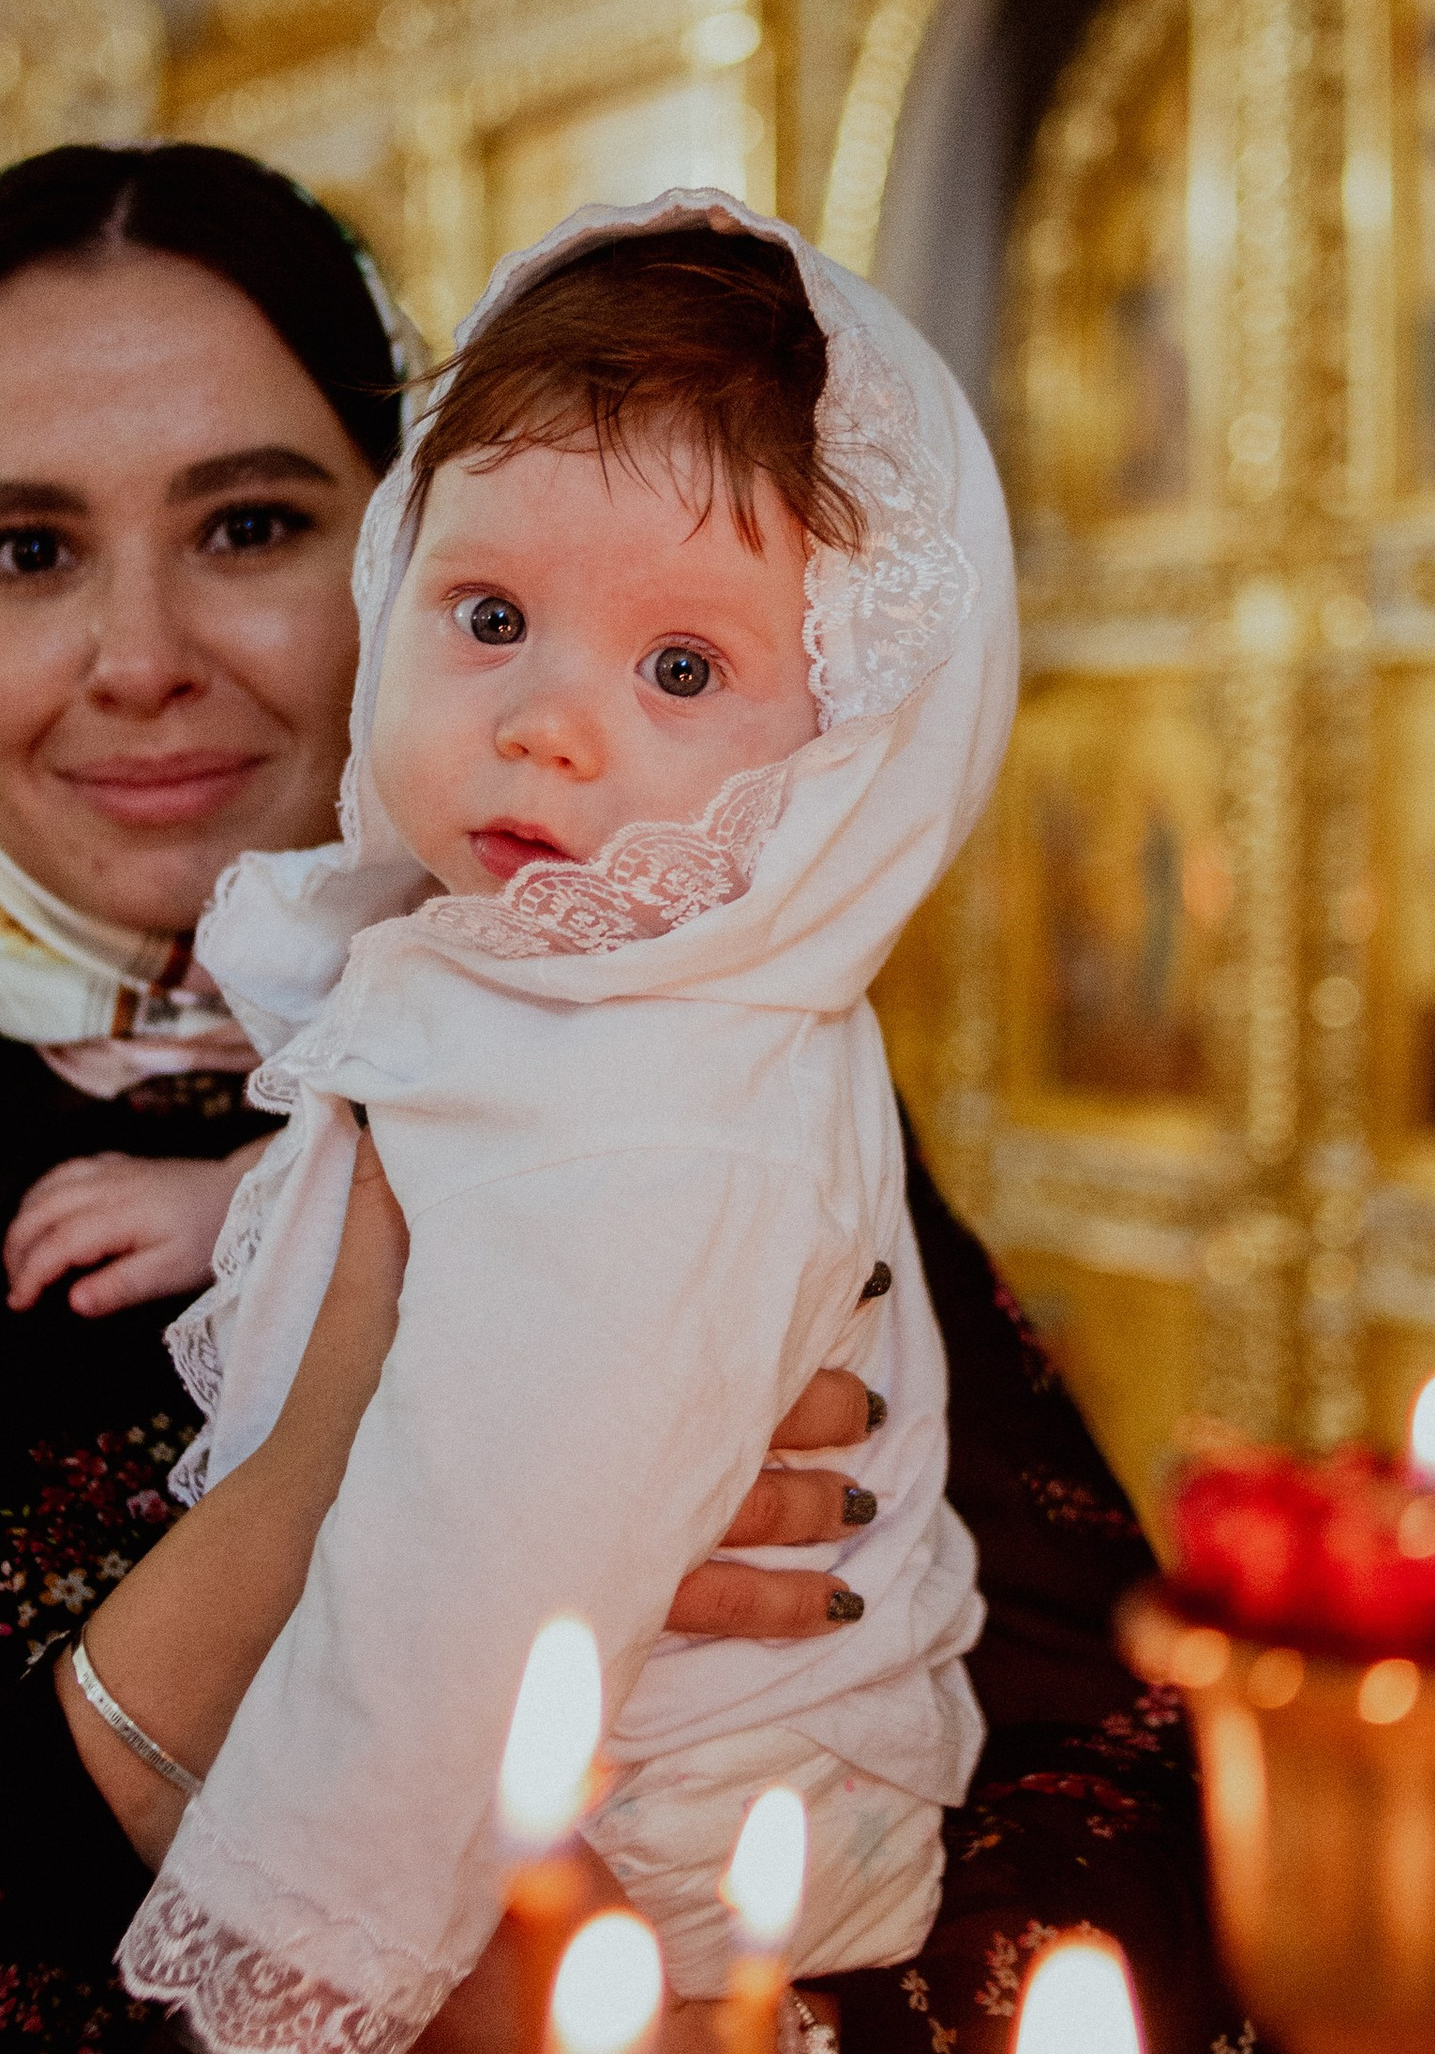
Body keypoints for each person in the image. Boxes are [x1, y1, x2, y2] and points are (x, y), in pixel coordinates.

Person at [0, 143, 1234, 2052]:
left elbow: (1135, 1798)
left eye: (249, 528)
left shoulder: (721, 1064)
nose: (141, 659)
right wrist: (327, 1455)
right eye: (23, 549)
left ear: (391, 534)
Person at [106, 199, 1007, 2049]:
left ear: (843, 754)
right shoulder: (571, 987)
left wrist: (294, 1961)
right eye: (492, 616)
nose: (546, 727)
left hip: (663, 1849)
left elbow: (474, 1572)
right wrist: (234, 1209)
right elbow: (429, 1162)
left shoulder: (678, 1123)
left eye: (683, 670)